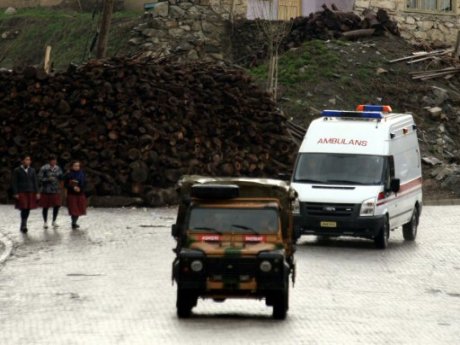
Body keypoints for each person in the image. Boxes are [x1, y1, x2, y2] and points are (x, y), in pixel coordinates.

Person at [11, 155, 40, 233]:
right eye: (27, 160)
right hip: (21, 191)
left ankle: (24, 223)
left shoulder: (32, 170)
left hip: (30, 191)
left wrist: (37, 192)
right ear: (22, 161)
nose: (28, 161)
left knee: (27, 208)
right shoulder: (17, 170)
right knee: (23, 207)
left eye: (29, 160)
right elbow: (14, 182)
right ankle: (24, 225)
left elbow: (35, 181)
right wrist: (15, 193)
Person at [38, 155, 63, 229]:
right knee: (45, 206)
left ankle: (54, 221)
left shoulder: (58, 168)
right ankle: (45, 222)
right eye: (53, 160)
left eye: (55, 160)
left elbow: (61, 177)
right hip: (46, 190)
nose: (54, 162)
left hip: (55, 190)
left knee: (57, 205)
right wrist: (47, 179)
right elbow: (39, 178)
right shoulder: (44, 168)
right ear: (49, 161)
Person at [64, 161, 87, 229]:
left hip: (80, 193)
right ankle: (73, 222)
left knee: (79, 209)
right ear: (72, 166)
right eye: (75, 166)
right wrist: (73, 187)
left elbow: (85, 183)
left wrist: (80, 188)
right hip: (72, 194)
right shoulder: (69, 174)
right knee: (73, 209)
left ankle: (75, 222)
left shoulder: (82, 173)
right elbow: (65, 184)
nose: (76, 167)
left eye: (78, 166)